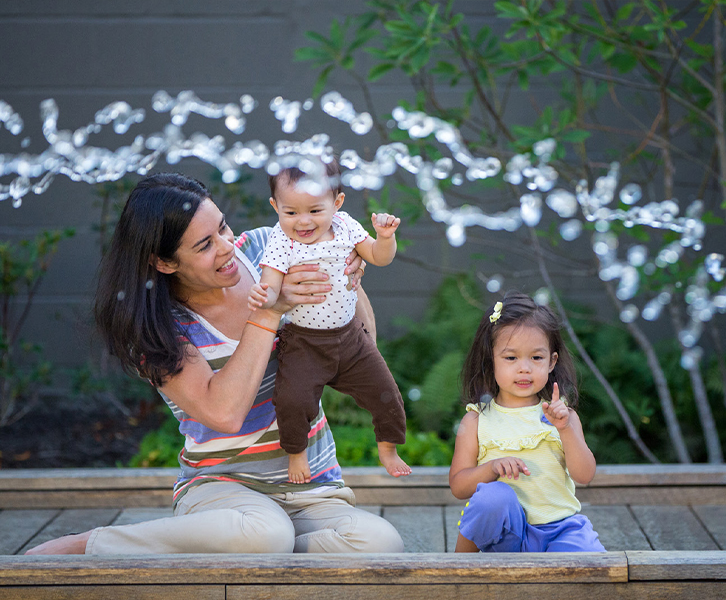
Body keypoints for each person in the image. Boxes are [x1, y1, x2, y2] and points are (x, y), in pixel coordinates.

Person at [25, 172, 404, 555]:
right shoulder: (158, 329)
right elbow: (223, 413)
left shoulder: (269, 248)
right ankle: (93, 544)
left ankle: (268, 553)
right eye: (205, 245)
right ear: (164, 263)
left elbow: (361, 343)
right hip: (224, 491)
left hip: (311, 487)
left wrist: (347, 280)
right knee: (263, 533)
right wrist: (271, 313)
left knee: (381, 543)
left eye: (223, 227)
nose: (226, 247)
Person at [248, 159, 410, 484]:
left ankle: (388, 448)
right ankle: (296, 452)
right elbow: (271, 284)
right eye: (291, 212)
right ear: (275, 206)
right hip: (304, 343)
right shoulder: (281, 241)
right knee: (292, 400)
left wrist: (385, 237)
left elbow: (378, 257)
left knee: (387, 394)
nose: (303, 221)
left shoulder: (347, 226)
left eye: (315, 210)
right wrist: (262, 297)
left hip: (352, 339)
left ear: (336, 203)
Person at [449, 292, 605, 553]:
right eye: (511, 358)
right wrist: (492, 468)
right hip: (506, 537)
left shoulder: (563, 417)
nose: (524, 368)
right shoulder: (476, 420)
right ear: (491, 361)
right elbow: (459, 486)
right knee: (493, 498)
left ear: (551, 361)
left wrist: (565, 430)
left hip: (560, 530)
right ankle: (459, 571)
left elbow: (585, 475)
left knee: (592, 569)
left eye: (536, 358)